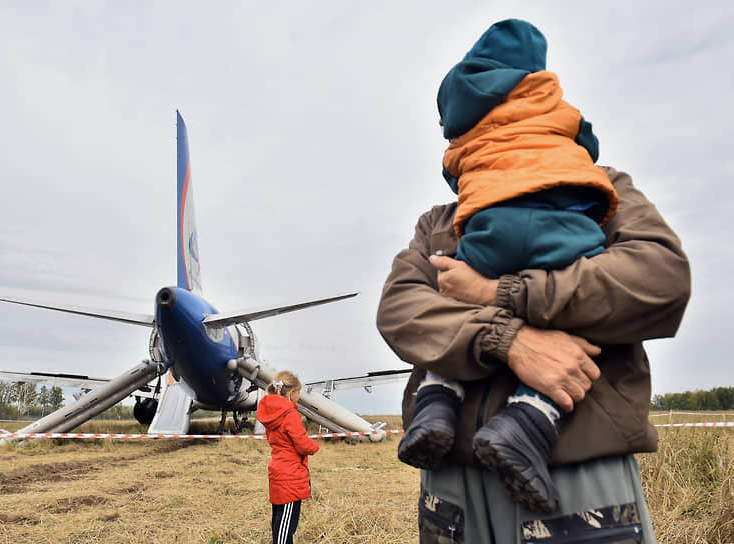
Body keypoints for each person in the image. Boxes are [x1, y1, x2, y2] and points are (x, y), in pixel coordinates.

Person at [376, 19, 691, 544]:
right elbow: (402, 310)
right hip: (451, 485)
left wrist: (499, 293)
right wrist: (511, 341)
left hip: (573, 478)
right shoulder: (439, 221)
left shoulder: (599, 190)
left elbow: (658, 280)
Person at [396, 18, 620, 515]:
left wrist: (487, 292)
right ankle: (529, 417)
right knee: (579, 305)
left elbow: (661, 283)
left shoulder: (462, 107)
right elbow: (587, 141)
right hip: (567, 229)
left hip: (487, 224)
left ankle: (436, 399)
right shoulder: (558, 112)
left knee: (451, 288)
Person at [256, 370, 319, 544]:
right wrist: (314, 445)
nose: (299, 395)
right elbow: (302, 444)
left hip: (278, 471)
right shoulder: (290, 414)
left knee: (279, 518)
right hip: (290, 476)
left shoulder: (272, 414)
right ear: (291, 393)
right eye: (299, 392)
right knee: (286, 524)